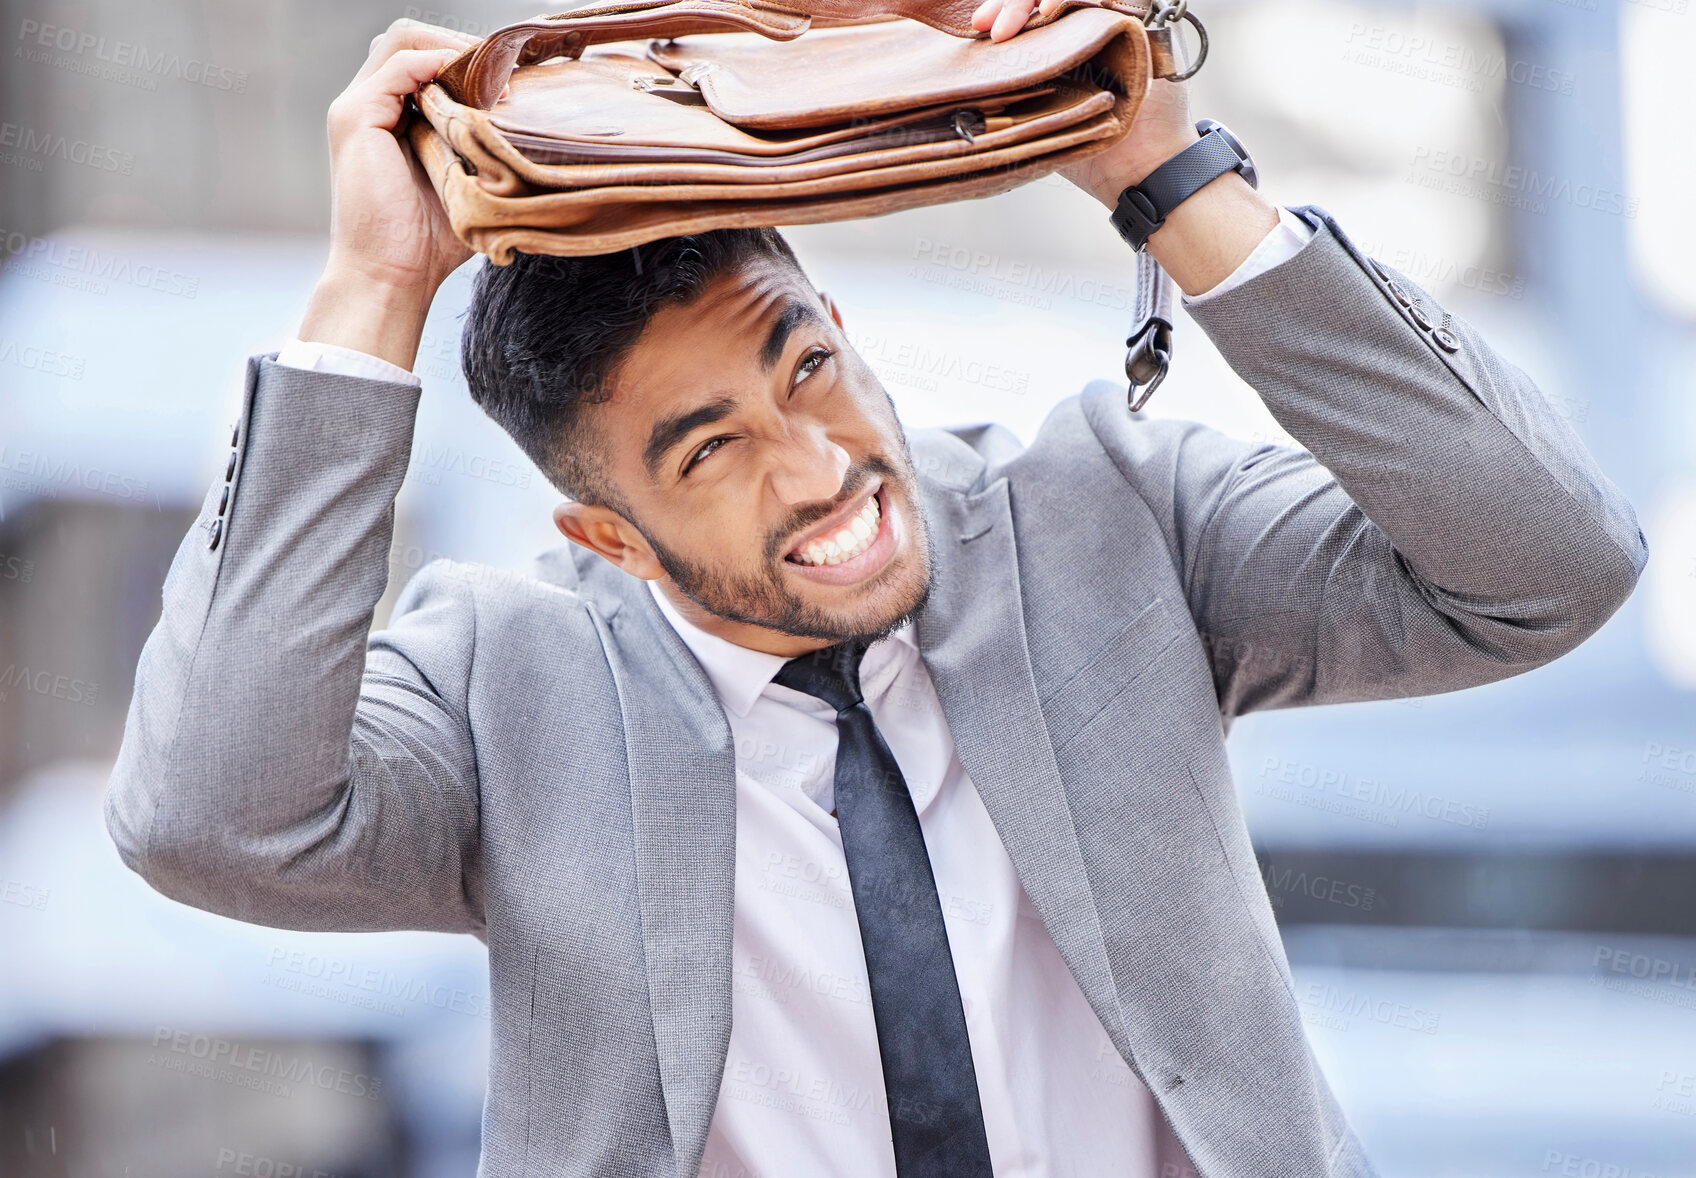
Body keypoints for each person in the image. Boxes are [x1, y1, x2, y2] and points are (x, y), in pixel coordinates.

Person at [104, 3, 1648, 1176]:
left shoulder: (1103, 514)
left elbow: (1548, 565)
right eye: (710, 453)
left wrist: (1158, 167)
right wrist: (372, 289)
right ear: (612, 539)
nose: (820, 467)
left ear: (839, 317)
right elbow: (207, 815)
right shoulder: (507, 680)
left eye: (810, 370)